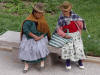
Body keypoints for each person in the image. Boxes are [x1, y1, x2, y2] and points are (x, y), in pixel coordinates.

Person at [18, 2, 51, 73]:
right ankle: (26, 65)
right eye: (38, 13)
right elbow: (26, 30)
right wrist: (34, 36)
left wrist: (40, 37)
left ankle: (42, 63)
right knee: (26, 49)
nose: (40, 15)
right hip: (29, 36)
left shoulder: (42, 20)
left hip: (40, 37)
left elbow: (46, 30)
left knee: (40, 47)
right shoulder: (29, 20)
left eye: (41, 13)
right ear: (34, 12)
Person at [56, 1, 86, 70]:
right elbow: (58, 28)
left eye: (65, 11)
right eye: (63, 11)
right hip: (67, 35)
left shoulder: (75, 16)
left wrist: (80, 27)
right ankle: (68, 61)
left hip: (76, 35)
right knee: (67, 48)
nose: (64, 12)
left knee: (79, 47)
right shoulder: (61, 17)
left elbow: (80, 24)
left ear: (69, 10)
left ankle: (80, 61)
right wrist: (64, 35)